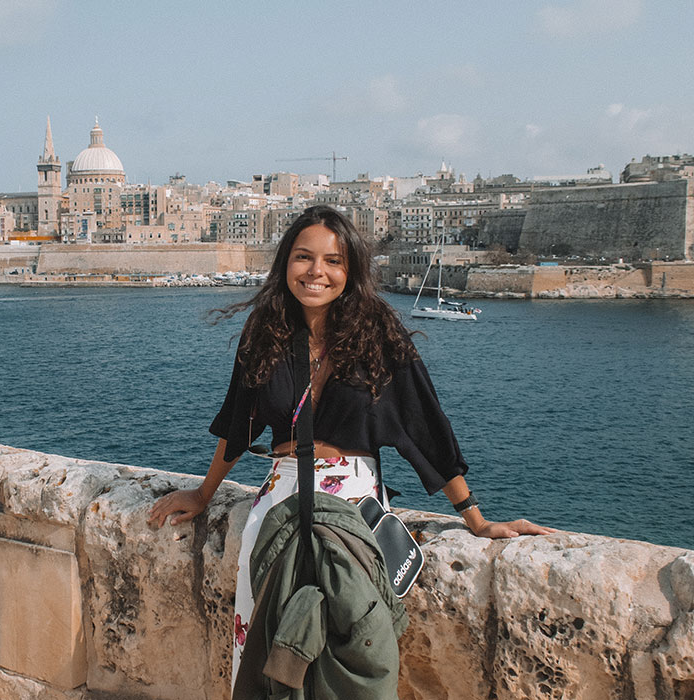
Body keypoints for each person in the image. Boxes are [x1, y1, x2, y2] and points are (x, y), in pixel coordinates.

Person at [147, 205, 553, 686]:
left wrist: (477, 520)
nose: (317, 272)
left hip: (355, 510)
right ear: (285, 264)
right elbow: (239, 423)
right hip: (277, 505)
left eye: (333, 261)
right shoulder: (266, 330)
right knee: (267, 658)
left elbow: (425, 428)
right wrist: (203, 494)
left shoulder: (378, 332)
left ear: (350, 269)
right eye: (304, 257)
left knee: (345, 657)